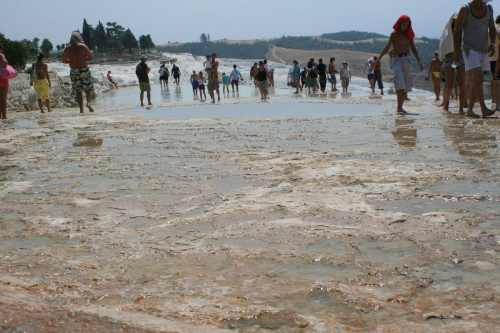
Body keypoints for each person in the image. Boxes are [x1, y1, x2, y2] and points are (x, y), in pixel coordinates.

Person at [454, 0, 496, 118]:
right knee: (478, 77)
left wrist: (492, 44)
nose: (483, 3)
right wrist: (456, 49)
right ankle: (484, 108)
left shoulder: (489, 9)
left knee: (478, 81)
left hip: (483, 50)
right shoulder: (465, 9)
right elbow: (457, 30)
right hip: (469, 49)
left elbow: (491, 27)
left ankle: (470, 110)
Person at [376, 15, 424, 114]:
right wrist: (379, 59)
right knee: (399, 82)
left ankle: (401, 106)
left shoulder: (409, 34)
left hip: (407, 59)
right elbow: (387, 47)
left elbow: (413, 48)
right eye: (404, 25)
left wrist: (419, 61)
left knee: (406, 84)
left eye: (407, 25)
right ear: (399, 24)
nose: (405, 27)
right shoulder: (394, 34)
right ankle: (399, 107)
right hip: (397, 59)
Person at [439, 12, 467, 113]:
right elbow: (444, 47)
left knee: (461, 84)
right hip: (449, 59)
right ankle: (446, 105)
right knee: (450, 84)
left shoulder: (463, 32)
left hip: (460, 59)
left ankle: (461, 108)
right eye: (456, 19)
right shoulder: (447, 33)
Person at [62, 31, 95, 113]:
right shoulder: (83, 46)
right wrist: (84, 59)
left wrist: (71, 61)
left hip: (74, 70)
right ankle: (89, 103)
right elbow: (91, 57)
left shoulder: (67, 48)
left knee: (78, 90)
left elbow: (63, 60)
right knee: (89, 88)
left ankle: (81, 109)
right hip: (84, 68)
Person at [489, 15, 500, 111]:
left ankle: (496, 102)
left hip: (492, 58)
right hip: (499, 58)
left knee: (495, 81)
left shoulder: (491, 31)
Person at [0, 44, 10, 119]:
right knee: (3, 98)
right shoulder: (1, 55)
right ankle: (4, 115)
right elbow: (5, 63)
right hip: (2, 78)